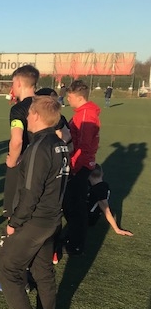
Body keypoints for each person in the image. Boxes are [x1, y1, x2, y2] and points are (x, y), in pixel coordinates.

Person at [0, 96, 69, 309]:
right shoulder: (60, 144)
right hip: (51, 219)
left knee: (7, 269)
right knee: (42, 272)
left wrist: (14, 223)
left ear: (36, 116)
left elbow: (30, 192)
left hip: (35, 220)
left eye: (29, 113)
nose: (26, 117)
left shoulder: (39, 146)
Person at [63, 79, 101, 256]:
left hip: (80, 165)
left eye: (69, 97)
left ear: (78, 97)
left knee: (75, 206)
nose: (67, 99)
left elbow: (83, 146)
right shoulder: (82, 113)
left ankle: (76, 244)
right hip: (80, 164)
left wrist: (74, 166)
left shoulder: (86, 115)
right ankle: (74, 238)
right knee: (71, 204)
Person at [3, 65, 38, 216]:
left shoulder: (18, 109)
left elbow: (17, 140)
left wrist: (12, 160)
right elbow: (64, 135)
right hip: (45, 162)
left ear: (18, 83)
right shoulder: (47, 105)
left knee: (14, 210)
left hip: (23, 163)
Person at [86, 164, 133, 236]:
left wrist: (117, 229)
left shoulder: (99, 190)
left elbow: (106, 210)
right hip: (89, 217)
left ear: (89, 176)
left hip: (87, 219)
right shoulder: (104, 185)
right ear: (102, 174)